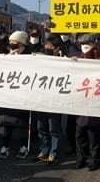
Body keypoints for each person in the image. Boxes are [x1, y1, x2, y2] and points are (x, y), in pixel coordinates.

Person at [73, 33, 100, 171]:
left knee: (94, 136)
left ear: (94, 45)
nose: (84, 47)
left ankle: (95, 159)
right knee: (80, 134)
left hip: (96, 103)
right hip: (81, 103)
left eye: (87, 44)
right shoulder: (78, 59)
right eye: (82, 44)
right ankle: (82, 157)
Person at [0, 31, 31, 159]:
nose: (10, 45)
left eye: (13, 43)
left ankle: (23, 146)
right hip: (7, 94)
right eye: (10, 42)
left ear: (21, 43)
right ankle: (5, 147)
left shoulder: (30, 56)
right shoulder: (5, 55)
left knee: (21, 122)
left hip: (23, 94)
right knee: (4, 121)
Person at [33, 35, 63, 165]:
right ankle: (44, 151)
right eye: (46, 45)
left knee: (54, 129)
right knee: (41, 127)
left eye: (50, 46)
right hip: (41, 99)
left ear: (57, 49)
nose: (47, 48)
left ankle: (53, 153)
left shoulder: (63, 61)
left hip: (55, 101)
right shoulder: (40, 59)